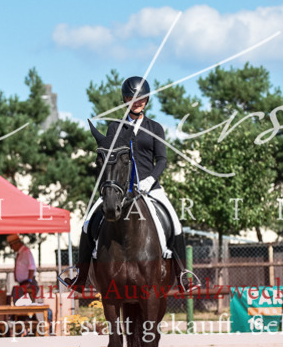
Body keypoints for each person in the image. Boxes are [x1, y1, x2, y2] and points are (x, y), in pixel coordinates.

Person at [63, 76, 196, 294]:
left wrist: (150, 180)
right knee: (87, 224)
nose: (137, 102)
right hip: (119, 189)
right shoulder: (115, 127)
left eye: (141, 98)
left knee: (176, 223)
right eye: (131, 98)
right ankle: (81, 276)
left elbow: (162, 160)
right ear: (125, 100)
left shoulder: (155, 127)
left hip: (150, 188)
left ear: (146, 100)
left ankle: (183, 276)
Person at [7, 234, 37, 302]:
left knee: (20, 301)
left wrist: (29, 281)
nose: (12, 248)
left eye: (11, 246)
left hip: (27, 283)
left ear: (16, 244)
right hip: (23, 283)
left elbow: (32, 267)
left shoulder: (26, 252)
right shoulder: (21, 253)